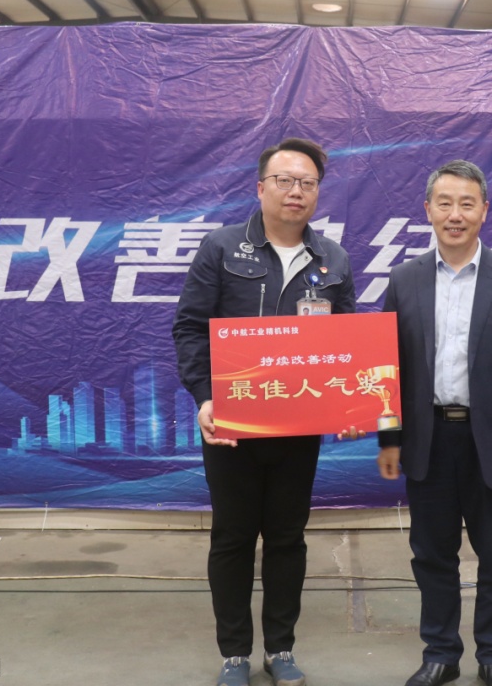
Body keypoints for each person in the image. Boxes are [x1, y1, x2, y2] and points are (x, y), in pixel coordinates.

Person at [172, 137, 356, 686]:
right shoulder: (222, 248)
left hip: (298, 427)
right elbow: (190, 327)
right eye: (285, 180)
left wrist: (351, 403)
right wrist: (205, 397)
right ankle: (234, 653)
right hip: (232, 426)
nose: (296, 191)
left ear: (317, 193)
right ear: (261, 188)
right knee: (231, 538)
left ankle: (280, 648)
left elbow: (347, 343)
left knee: (287, 538)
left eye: (307, 182)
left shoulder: (333, 260)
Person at [377, 160, 492, 686]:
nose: (455, 215)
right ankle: (441, 653)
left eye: (466, 204)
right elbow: (387, 368)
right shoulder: (404, 279)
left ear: (484, 211)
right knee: (432, 555)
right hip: (428, 438)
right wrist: (390, 438)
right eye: (445, 203)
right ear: (428, 210)